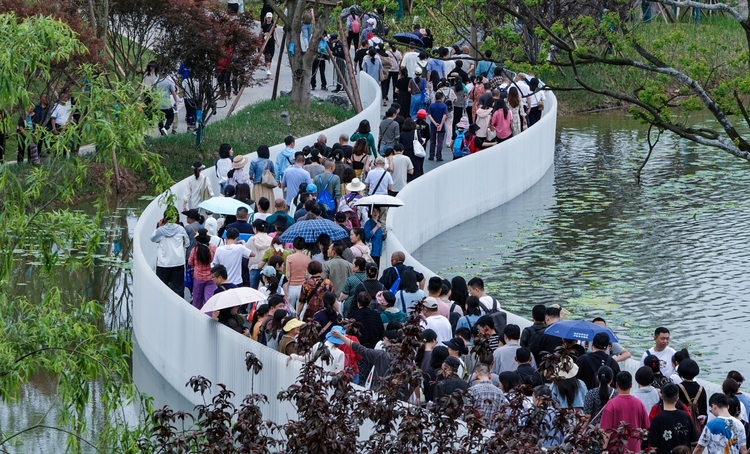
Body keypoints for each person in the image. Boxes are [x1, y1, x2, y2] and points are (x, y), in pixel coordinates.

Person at [600, 371, 651, 452]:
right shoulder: (639, 404)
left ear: (616, 385)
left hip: (615, 450)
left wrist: (603, 449)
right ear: (631, 385)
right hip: (634, 450)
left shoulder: (611, 404)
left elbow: (606, 432)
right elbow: (646, 427)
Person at [647, 383, 699, 454]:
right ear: (677, 398)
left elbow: (653, 447)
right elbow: (694, 442)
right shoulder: (686, 416)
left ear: (661, 396)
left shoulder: (657, 420)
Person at [151, 206, 190, 296]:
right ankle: (178, 307)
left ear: (165, 218)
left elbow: (153, 239)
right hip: (178, 262)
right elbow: (187, 244)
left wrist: (158, 227)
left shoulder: (161, 230)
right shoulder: (181, 229)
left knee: (161, 289)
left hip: (163, 264)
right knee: (178, 289)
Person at [467, 363, 506, 430]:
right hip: (493, 434)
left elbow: (466, 413)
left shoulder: (472, 391)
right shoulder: (500, 393)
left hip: (476, 432)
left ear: (476, 375)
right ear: (490, 376)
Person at [188, 229, 217, 309]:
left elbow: (190, 262)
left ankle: (197, 317)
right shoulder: (213, 248)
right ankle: (209, 317)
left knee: (197, 299)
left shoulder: (195, 250)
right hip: (211, 277)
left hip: (198, 277)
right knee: (210, 300)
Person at [261, 13, 278, 77]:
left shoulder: (273, 25)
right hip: (265, 42)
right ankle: (267, 69)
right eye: (268, 17)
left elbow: (276, 34)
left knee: (271, 55)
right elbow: (260, 33)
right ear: (266, 18)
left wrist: (278, 42)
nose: (269, 19)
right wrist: (264, 34)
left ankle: (268, 69)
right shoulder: (264, 25)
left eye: (270, 17)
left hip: (271, 42)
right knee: (267, 55)